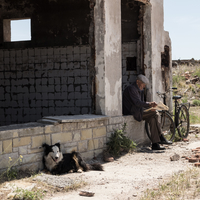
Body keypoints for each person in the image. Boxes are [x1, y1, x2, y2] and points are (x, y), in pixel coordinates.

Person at [123, 74, 172, 150]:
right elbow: (137, 103)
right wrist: (149, 104)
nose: (144, 86)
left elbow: (141, 103)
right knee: (155, 114)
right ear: (137, 82)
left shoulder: (140, 89)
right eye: (143, 84)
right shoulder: (132, 89)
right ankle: (161, 136)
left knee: (152, 119)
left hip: (138, 111)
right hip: (132, 112)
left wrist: (150, 107)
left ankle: (155, 144)